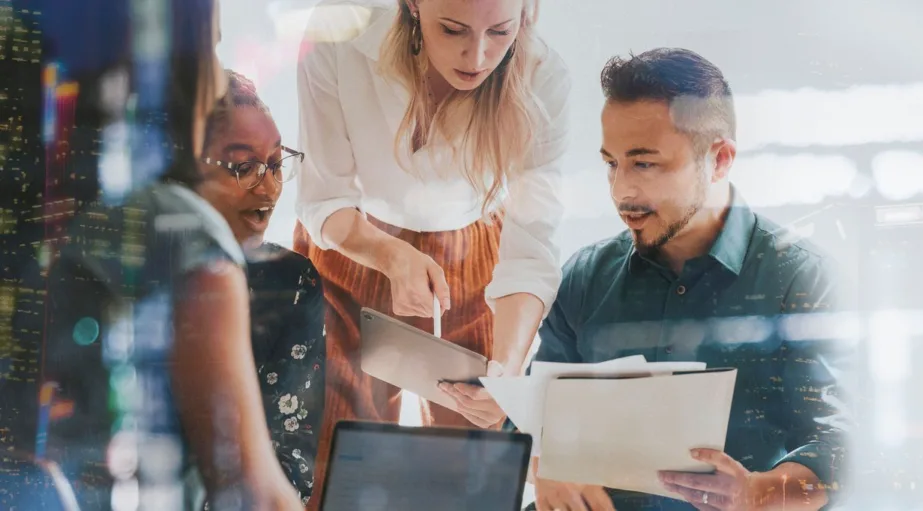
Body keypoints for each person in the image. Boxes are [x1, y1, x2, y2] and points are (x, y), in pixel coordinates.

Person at [528, 48, 853, 511]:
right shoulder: (583, 276)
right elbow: (534, 415)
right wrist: (544, 468)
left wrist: (754, 494)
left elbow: (840, 448)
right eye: (611, 163)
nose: (621, 191)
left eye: (645, 164)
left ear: (719, 159)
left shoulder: (801, 277)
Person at [293, 0, 570, 506]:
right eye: (453, 29)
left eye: (500, 31)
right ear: (412, 5)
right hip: (351, 244)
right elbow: (322, 199)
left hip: (478, 259)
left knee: (474, 469)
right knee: (328, 462)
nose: (477, 55)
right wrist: (391, 255)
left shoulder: (544, 76)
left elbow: (531, 250)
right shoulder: (340, 28)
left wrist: (507, 371)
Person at [42, 0, 304, 509]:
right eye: (211, 44)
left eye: (275, 163)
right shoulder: (181, 233)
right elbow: (254, 494)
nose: (265, 186)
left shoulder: (47, 201)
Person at [196, 70, 325, 505]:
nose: (268, 188)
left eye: (274, 164)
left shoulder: (291, 282)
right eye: (244, 167)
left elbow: (292, 462)